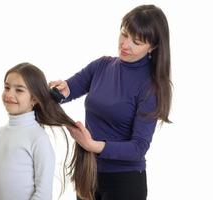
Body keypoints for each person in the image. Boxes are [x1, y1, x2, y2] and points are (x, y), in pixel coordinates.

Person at [50, 4, 172, 200]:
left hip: (125, 183)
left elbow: (139, 147)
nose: (125, 45)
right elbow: (69, 89)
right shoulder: (102, 66)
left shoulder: (151, 87)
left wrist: (93, 145)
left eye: (137, 41)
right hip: (88, 174)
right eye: (124, 34)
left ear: (153, 47)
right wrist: (59, 90)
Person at [0, 63, 77, 200]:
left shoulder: (38, 139)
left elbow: (43, 193)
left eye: (19, 90)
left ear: (34, 99)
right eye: (7, 87)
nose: (9, 94)